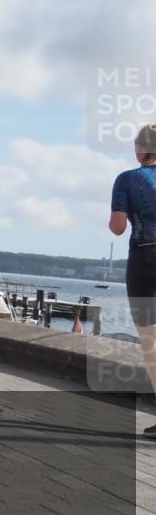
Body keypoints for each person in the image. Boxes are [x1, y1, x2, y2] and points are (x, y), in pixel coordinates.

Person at [109, 124, 156, 437]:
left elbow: (117, 227)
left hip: (146, 257)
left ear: (141, 148)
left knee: (151, 341)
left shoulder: (128, 179)